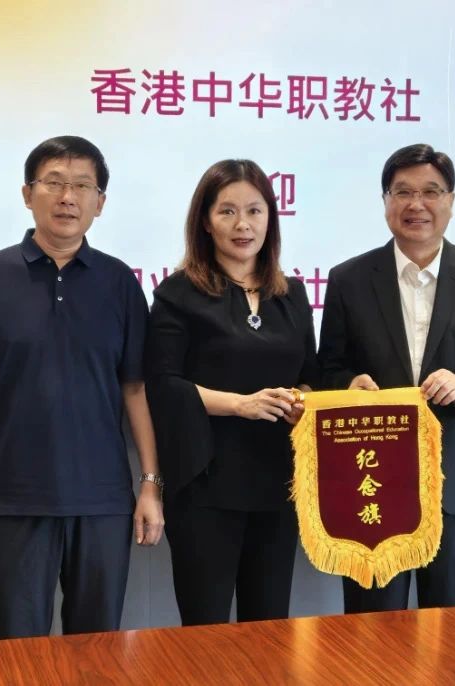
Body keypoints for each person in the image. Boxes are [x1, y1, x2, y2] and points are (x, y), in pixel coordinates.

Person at [0, 135, 164, 639]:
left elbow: (136, 390)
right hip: (11, 500)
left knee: (97, 653)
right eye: (54, 183)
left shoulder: (119, 282)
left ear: (100, 202)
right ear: (27, 194)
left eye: (82, 186)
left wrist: (150, 485)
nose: (67, 197)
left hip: (103, 502)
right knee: (15, 654)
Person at [318, 143, 455, 612]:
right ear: (385, 201)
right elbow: (327, 369)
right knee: (373, 632)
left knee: (454, 633)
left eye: (431, 192)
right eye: (403, 192)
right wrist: (348, 386)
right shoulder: (349, 279)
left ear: (450, 201)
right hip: (374, 482)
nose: (417, 204)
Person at [145, 159, 318, 625]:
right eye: (227, 211)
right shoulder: (178, 294)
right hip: (206, 481)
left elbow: (310, 374)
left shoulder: (292, 294)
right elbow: (163, 385)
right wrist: (242, 405)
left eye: (255, 211)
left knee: (270, 627)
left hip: (279, 482)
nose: (243, 225)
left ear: (271, 219)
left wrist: (302, 400)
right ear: (205, 220)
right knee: (207, 630)